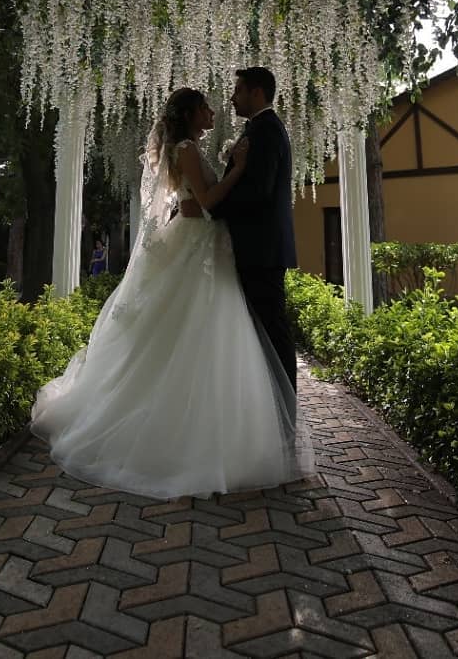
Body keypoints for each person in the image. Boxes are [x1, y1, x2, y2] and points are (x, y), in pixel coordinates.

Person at [31, 87, 311, 499]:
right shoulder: (188, 150)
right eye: (206, 107)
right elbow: (209, 201)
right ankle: (187, 431)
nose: (214, 111)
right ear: (191, 114)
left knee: (199, 332)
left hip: (202, 243)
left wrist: (228, 168)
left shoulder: (188, 149)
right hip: (199, 245)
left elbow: (194, 202)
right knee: (199, 329)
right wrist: (238, 168)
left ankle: (205, 423)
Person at [210, 66, 298, 391]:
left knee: (272, 328)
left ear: (256, 92)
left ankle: (284, 402)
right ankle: (270, 400)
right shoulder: (258, 129)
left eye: (238, 91)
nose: (232, 98)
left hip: (262, 248)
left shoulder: (266, 131)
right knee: (263, 328)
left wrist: (213, 208)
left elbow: (257, 191)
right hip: (259, 247)